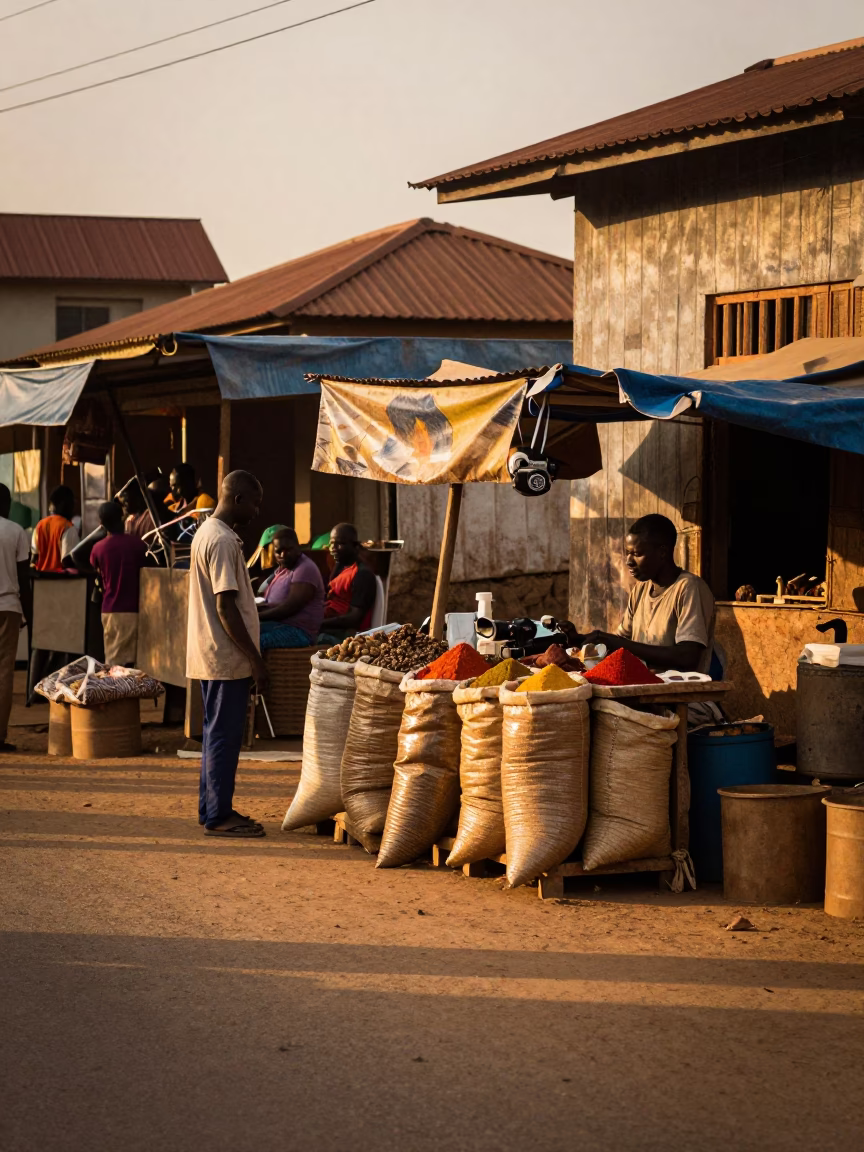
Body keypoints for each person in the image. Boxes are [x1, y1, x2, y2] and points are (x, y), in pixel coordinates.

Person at [186, 469, 269, 838]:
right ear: (237, 499)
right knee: (224, 735)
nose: (255, 512)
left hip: (213, 654)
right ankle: (219, 815)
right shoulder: (221, 541)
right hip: (225, 657)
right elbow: (226, 607)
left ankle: (213, 808)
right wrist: (254, 658)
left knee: (214, 733)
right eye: (254, 503)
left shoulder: (207, 532)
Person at [568, 514, 715, 674]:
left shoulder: (689, 588)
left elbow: (687, 657)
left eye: (637, 554)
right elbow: (620, 642)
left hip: (678, 691)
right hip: (642, 686)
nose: (629, 561)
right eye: (628, 553)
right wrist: (581, 639)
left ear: (662, 552)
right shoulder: (640, 590)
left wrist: (612, 641)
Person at [89, 501, 149, 667]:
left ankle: (116, 693)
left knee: (114, 663)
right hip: (135, 610)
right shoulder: (138, 545)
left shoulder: (98, 549)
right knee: (132, 664)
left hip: (110, 610)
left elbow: (94, 568)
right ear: (122, 518)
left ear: (101, 523)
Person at [0, 484, 32, 752]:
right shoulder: (15, 531)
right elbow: (24, 579)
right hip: (7, 607)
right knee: (3, 673)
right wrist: (28, 613)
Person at [257, 528, 325, 648]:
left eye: (288, 550)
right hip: (279, 624)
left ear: (298, 547)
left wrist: (257, 616)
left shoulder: (305, 568)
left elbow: (290, 607)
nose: (283, 555)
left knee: (254, 642)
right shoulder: (282, 569)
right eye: (278, 551)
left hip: (298, 631)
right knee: (242, 633)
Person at [318, 523, 377, 643]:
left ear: (354, 546)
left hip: (347, 636)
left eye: (340, 544)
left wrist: (318, 624)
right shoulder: (341, 566)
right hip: (329, 625)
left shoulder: (362, 574)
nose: (333, 548)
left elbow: (353, 619)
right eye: (332, 543)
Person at [31, 485, 79, 572]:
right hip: (59, 580)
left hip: (40, 581)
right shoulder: (68, 527)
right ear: (67, 504)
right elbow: (67, 561)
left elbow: (34, 556)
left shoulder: (40, 525)